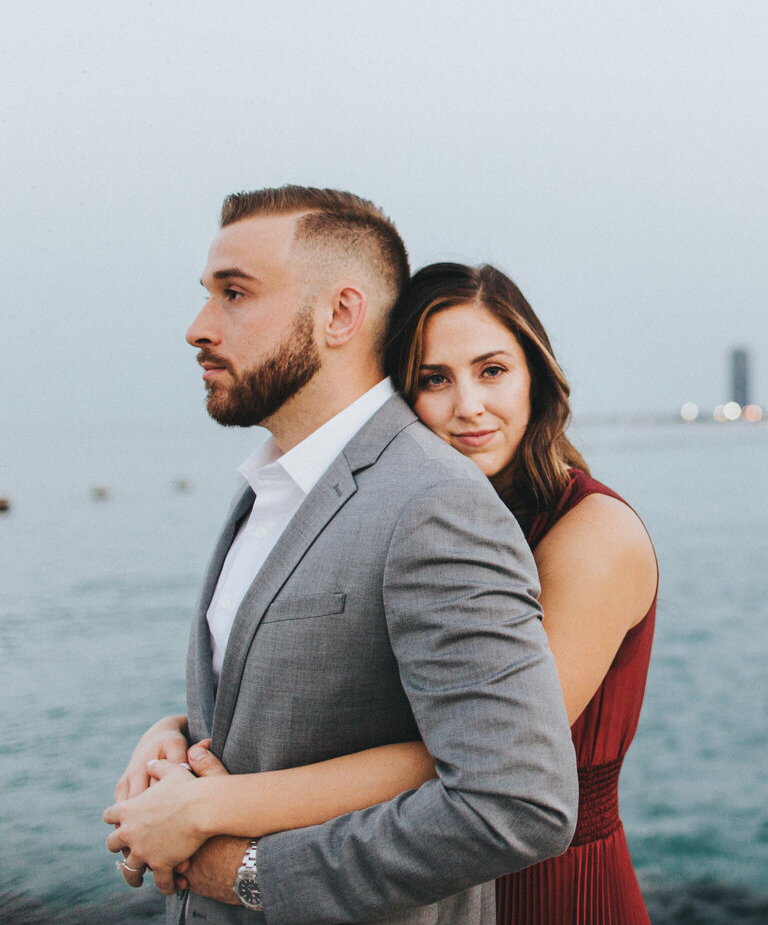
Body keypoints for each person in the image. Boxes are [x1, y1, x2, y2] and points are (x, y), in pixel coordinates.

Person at [105, 261, 659, 923]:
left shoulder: (593, 533)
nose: (468, 406)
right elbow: (342, 697)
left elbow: (481, 752)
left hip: (548, 885)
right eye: (433, 379)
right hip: (426, 884)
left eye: (492, 370)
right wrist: (172, 735)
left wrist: (209, 807)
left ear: (534, 375)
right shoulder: (420, 518)